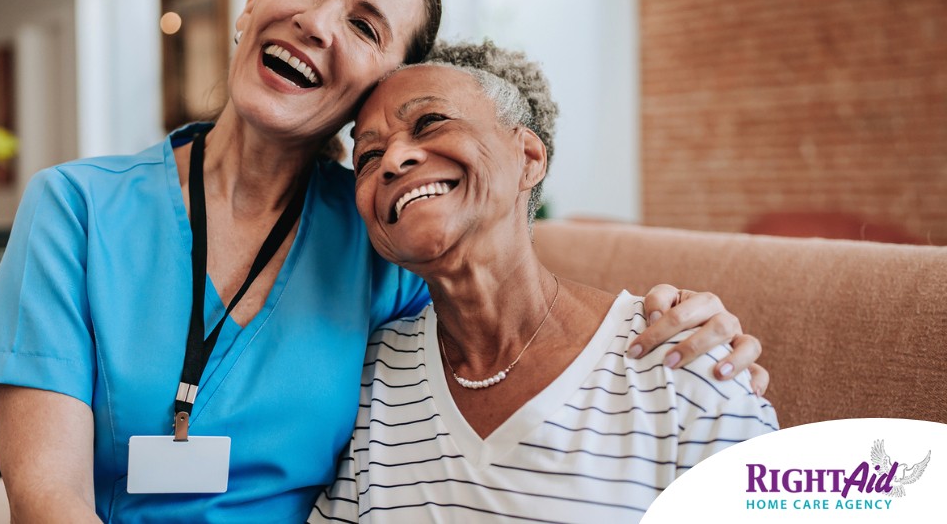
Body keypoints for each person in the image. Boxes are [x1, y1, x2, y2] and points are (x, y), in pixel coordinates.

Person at [0, 0, 766, 523]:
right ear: (251, 4)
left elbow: (502, 298)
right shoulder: (76, 209)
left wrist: (685, 331)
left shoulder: (383, 238)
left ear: (385, 85)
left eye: (365, 26)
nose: (316, 23)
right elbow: (48, 500)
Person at [309, 41, 778, 523]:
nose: (392, 160)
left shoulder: (682, 356)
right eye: (368, 156)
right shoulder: (367, 376)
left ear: (528, 157)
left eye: (430, 122)